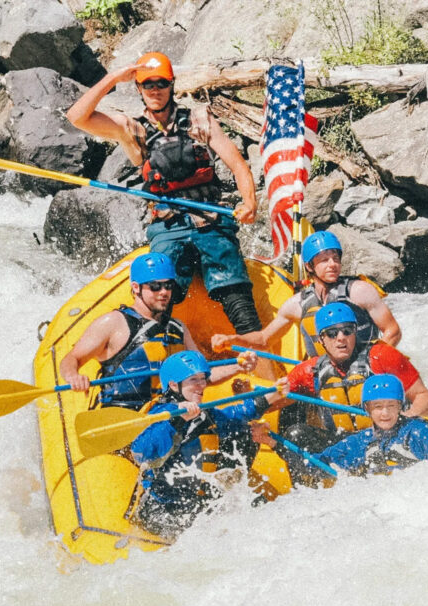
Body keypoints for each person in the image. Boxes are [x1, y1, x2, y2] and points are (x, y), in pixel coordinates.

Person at [66, 51, 263, 335]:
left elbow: (238, 166)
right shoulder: (131, 129)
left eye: (161, 83)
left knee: (238, 299)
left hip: (210, 218)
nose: (155, 89)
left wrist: (249, 202)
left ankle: (262, 364)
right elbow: (77, 117)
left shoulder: (198, 119)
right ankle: (164, 360)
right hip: (167, 226)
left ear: (172, 84)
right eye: (148, 84)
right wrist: (113, 78)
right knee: (157, 297)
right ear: (139, 88)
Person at [59, 253, 255, 409]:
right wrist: (73, 377)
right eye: (155, 286)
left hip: (165, 419)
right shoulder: (113, 322)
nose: (164, 292)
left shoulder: (178, 328)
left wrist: (239, 366)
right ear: (136, 288)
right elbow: (71, 359)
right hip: (124, 415)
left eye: (168, 285)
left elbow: (203, 375)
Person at [128, 351, 287, 538]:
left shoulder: (200, 412)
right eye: (193, 380)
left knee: (243, 430)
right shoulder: (162, 413)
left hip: (193, 502)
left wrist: (271, 396)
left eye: (203, 379)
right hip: (161, 508)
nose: (201, 385)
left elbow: (234, 414)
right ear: (173, 385)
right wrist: (176, 421)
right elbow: (141, 452)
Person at [211, 230, 402, 357]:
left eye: (335, 258)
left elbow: (392, 332)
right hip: (329, 376)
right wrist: (232, 339)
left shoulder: (359, 290)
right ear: (309, 266)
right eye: (324, 260)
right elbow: (263, 340)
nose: (332, 264)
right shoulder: (298, 304)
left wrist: (371, 362)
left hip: (367, 370)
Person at [279, 302, 428, 451]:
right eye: (332, 333)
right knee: (296, 434)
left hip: (385, 437)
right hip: (342, 445)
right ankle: (313, 478)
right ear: (321, 340)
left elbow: (423, 396)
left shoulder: (382, 356)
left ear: (355, 333)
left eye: (347, 331)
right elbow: (270, 400)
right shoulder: (309, 371)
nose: (341, 337)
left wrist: (406, 418)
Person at [256, 373, 428, 486]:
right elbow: (315, 466)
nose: (385, 413)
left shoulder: (421, 432)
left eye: (391, 406)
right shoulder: (359, 442)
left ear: (401, 406)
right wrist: (273, 443)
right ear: (366, 409)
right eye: (377, 407)